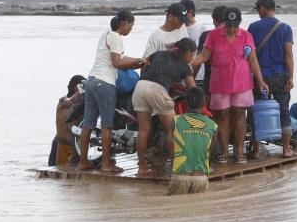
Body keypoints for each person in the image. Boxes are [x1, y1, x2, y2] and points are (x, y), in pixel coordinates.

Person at [191, 7, 267, 164]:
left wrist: (260, 80)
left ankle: (239, 152)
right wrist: (190, 64)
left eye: (234, 25)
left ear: (239, 23)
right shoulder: (213, 35)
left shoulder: (246, 35)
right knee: (222, 116)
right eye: (228, 25)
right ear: (224, 23)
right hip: (219, 83)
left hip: (242, 83)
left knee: (240, 115)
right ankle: (225, 151)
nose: (231, 29)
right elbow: (204, 55)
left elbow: (253, 60)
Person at [78, 10, 147, 174]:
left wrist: (138, 62)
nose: (131, 29)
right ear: (124, 23)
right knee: (107, 125)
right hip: (105, 84)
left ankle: (82, 162)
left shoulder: (106, 35)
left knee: (88, 123)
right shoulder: (116, 37)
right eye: (131, 25)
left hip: (92, 80)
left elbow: (120, 59)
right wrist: (138, 60)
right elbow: (117, 63)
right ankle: (106, 164)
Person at [133, 38, 197, 177]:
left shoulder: (158, 53)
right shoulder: (184, 65)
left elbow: (144, 64)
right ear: (187, 53)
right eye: (193, 53)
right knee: (172, 129)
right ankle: (177, 167)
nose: (193, 57)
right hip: (157, 90)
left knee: (143, 129)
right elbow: (193, 89)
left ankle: (142, 167)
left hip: (140, 86)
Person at [247, 0, 296, 157]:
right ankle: (286, 149)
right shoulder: (286, 28)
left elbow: (250, 54)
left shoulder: (253, 28)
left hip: (260, 77)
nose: (258, 13)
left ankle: (254, 149)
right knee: (283, 110)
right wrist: (291, 77)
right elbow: (289, 55)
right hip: (281, 75)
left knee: (255, 110)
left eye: (258, 9)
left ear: (263, 8)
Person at [169, 86, 218, 195]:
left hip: (180, 175)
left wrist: (175, 167)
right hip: (200, 177)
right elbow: (211, 154)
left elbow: (169, 147)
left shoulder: (175, 121)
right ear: (204, 103)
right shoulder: (213, 126)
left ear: (185, 102)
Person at [49, 75, 85, 167]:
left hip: (75, 147)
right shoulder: (63, 102)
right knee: (58, 170)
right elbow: (67, 101)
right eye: (80, 88)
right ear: (75, 88)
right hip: (62, 145)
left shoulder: (82, 105)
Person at [194, 4, 227, 94]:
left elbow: (198, 62)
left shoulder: (206, 35)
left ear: (214, 20)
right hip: (231, 81)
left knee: (211, 107)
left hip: (210, 81)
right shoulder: (238, 35)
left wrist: (192, 78)